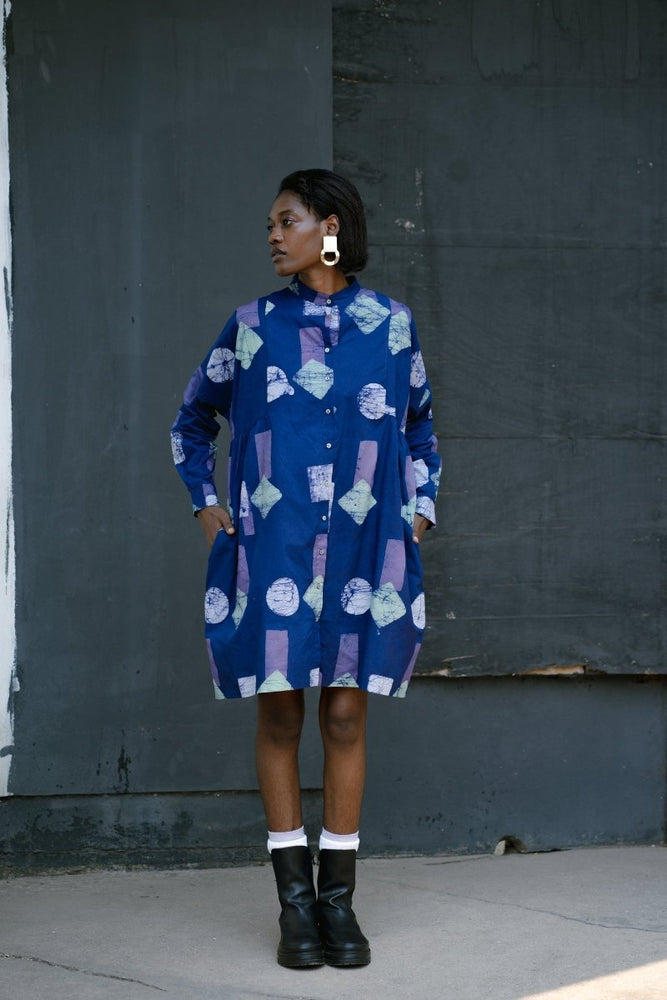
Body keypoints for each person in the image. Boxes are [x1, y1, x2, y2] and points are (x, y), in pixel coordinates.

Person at [171, 168, 441, 969]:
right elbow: (193, 420)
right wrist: (206, 502)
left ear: (328, 227)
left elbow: (422, 428)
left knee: (348, 716)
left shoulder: (392, 328)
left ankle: (338, 904)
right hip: (275, 549)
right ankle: (294, 909)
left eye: (284, 221)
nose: (271, 235)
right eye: (268, 224)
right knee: (282, 717)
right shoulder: (250, 327)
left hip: (364, 553)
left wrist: (419, 510)